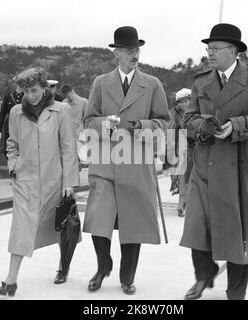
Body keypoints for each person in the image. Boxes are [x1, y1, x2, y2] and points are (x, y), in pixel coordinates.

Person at [180, 23, 248, 300]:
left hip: (240, 162)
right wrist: (204, 126)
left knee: (240, 230)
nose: (209, 52)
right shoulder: (201, 81)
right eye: (208, 48)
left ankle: (236, 290)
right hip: (205, 161)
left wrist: (237, 125)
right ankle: (204, 274)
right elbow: (188, 119)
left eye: (215, 48)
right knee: (196, 225)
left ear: (233, 51)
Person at [82, 26, 170, 295]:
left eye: (137, 49)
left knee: (133, 223)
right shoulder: (100, 83)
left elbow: (164, 122)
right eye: (129, 50)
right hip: (106, 162)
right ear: (116, 53)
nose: (135, 54)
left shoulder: (152, 84)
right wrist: (102, 124)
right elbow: (87, 121)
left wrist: (139, 125)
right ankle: (103, 265)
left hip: (136, 163)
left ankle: (127, 277)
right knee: (99, 218)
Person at [0, 68, 79, 297]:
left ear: (44, 87)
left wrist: (69, 181)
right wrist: (14, 166)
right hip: (25, 180)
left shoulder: (61, 110)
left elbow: (69, 148)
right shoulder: (15, 112)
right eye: (25, 91)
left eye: (33, 90)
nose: (29, 95)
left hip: (55, 180)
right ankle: (10, 281)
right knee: (20, 229)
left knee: (59, 224)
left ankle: (63, 266)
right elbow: (11, 144)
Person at [168, 88, 191, 217]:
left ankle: (184, 202)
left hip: (194, 146)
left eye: (188, 100)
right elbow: (171, 135)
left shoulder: (197, 111)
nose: (185, 104)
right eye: (182, 101)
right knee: (182, 176)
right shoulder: (175, 116)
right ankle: (181, 203)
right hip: (181, 146)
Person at [0, 83, 24, 158]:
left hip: (22, 127)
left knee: (20, 151)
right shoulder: (8, 96)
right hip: (9, 126)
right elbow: (2, 113)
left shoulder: (27, 97)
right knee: (7, 150)